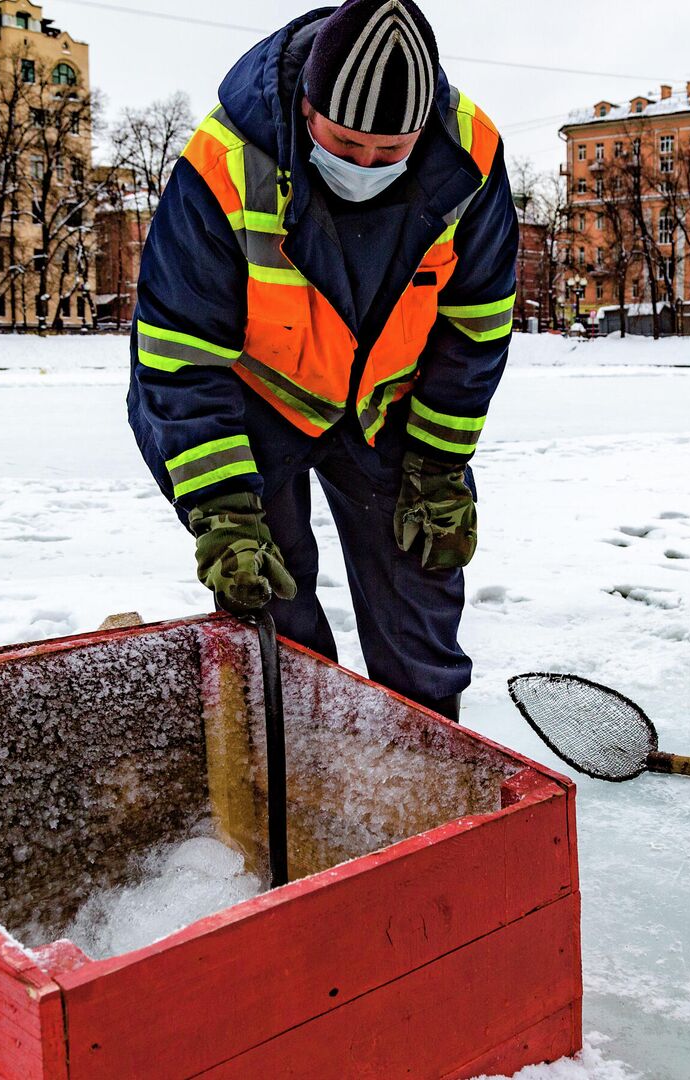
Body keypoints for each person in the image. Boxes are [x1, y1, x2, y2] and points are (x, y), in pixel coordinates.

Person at [127, 0, 518, 720]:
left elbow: (475, 330)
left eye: (388, 151)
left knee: (419, 585)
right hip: (253, 399)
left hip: (384, 400)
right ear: (307, 103)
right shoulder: (223, 164)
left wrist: (435, 467)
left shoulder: (470, 157)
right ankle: (303, 767)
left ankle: (424, 761)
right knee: (270, 602)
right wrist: (223, 511)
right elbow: (178, 358)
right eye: (344, 142)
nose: (364, 164)